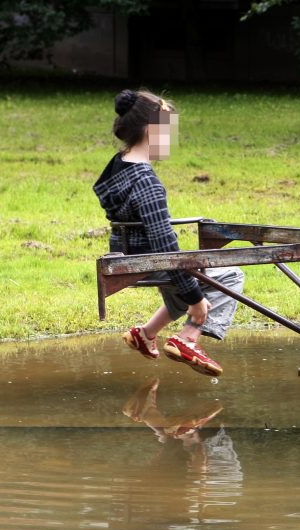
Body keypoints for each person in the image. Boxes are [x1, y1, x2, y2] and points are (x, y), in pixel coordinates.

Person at [94, 89, 244, 376]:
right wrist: (196, 301)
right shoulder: (146, 181)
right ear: (151, 131)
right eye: (169, 132)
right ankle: (188, 338)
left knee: (187, 284)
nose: (172, 140)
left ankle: (145, 333)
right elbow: (166, 249)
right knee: (231, 275)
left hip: (128, 255)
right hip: (149, 262)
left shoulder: (118, 166)